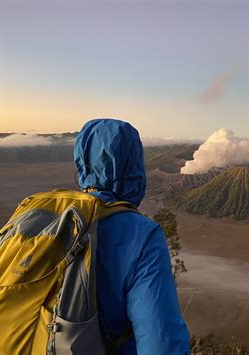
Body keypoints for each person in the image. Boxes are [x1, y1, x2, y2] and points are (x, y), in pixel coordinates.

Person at [74, 118, 190, 355]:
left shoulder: (48, 220)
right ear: (133, 166)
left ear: (82, 162)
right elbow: (162, 343)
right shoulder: (141, 235)